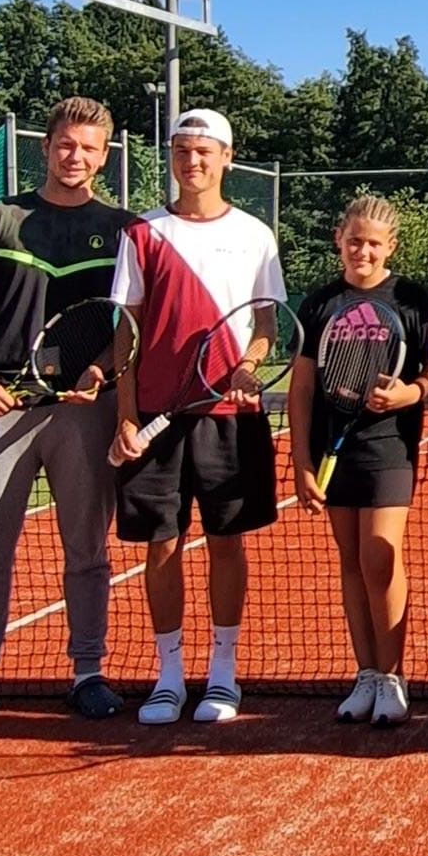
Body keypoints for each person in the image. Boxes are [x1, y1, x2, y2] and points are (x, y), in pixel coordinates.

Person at [0, 96, 130, 732]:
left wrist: (102, 369)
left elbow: (131, 321)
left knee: (87, 552)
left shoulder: (124, 228)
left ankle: (87, 673)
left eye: (89, 148)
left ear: (104, 156)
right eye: (65, 144)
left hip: (82, 412)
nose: (75, 156)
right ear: (45, 147)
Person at [111, 108, 287, 726]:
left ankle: (222, 673)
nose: (192, 162)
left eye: (204, 152)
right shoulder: (141, 232)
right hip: (156, 415)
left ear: (227, 159)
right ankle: (168, 676)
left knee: (226, 542)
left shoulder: (255, 235)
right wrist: (125, 418)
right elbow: (126, 335)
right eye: (182, 151)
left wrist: (250, 365)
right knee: (161, 547)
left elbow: (265, 324)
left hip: (228, 416)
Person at [289, 194, 428, 728]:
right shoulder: (320, 303)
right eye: (355, 241)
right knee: (350, 561)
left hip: (389, 448)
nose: (363, 252)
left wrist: (408, 394)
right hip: (334, 449)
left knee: (380, 557)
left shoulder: (412, 300)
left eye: (374, 243)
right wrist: (301, 462)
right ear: (339, 240)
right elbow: (302, 388)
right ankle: (367, 674)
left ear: (390, 245)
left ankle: (393, 677)